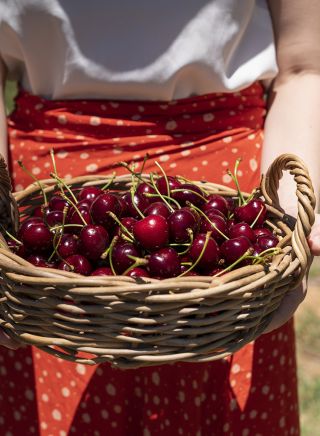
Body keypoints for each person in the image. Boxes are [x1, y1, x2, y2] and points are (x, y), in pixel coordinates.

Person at [0, 1, 320, 434]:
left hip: (228, 231)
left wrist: (288, 228)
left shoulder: (243, 237)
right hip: (46, 241)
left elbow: (305, 67)